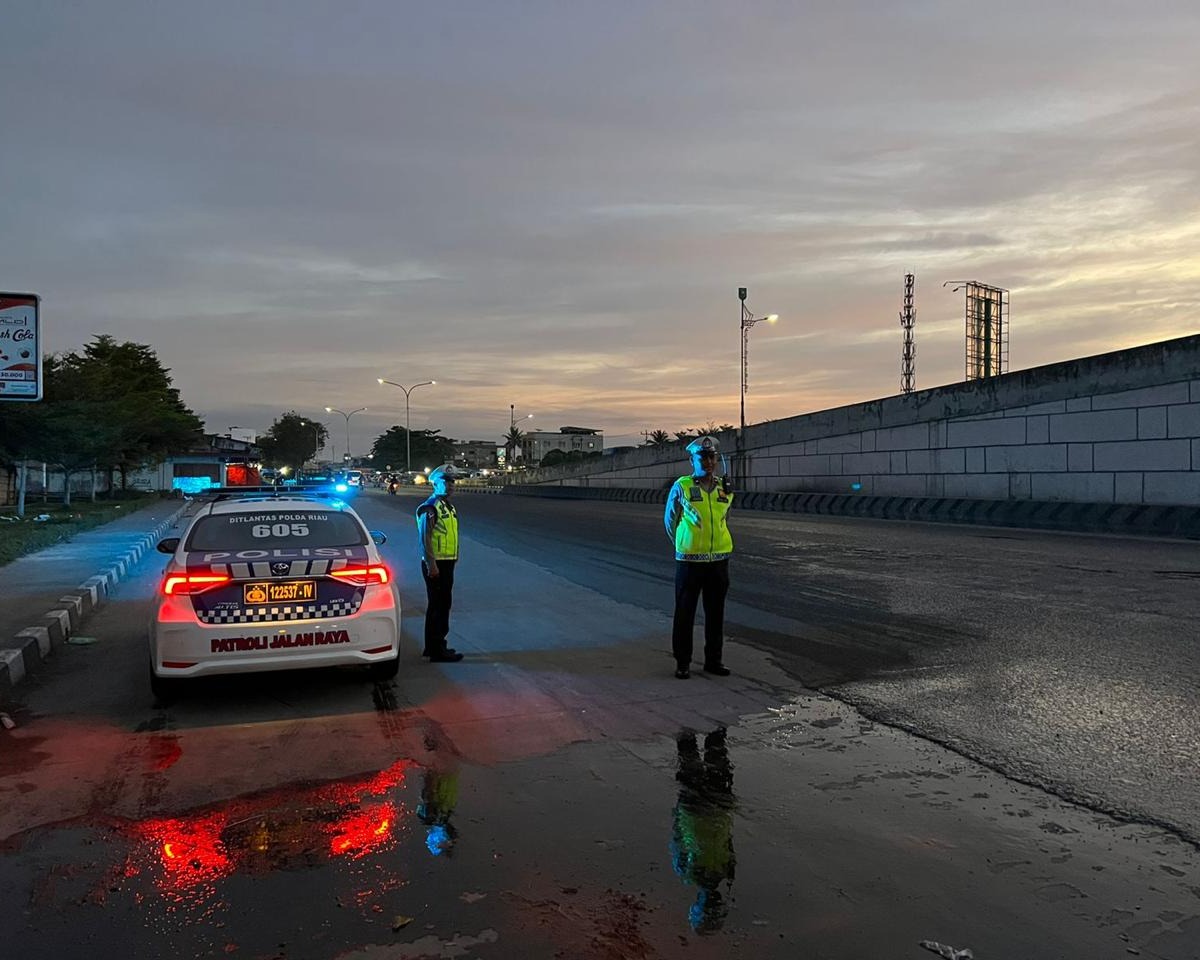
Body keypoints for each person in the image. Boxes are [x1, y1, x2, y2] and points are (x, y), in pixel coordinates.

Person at [663, 435, 733, 679]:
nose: (708, 461)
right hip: (690, 562)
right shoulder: (682, 486)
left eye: (711, 456)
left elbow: (724, 520)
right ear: (692, 459)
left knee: (716, 614)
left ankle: (714, 660)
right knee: (685, 614)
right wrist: (684, 544)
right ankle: (683, 662)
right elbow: (670, 521)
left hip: (719, 562)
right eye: (702, 457)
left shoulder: (725, 488)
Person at [670, 727, 736, 934]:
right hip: (711, 808)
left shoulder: (692, 872)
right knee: (712, 755)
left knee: (697, 757)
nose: (716, 903)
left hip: (699, 809)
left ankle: (692, 721)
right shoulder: (724, 872)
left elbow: (678, 838)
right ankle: (708, 720)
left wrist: (679, 813)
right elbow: (728, 840)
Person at [415, 464, 464, 662]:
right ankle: (437, 650)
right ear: (436, 483)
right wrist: (431, 564)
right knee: (439, 605)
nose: (451, 485)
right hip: (436, 564)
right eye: (446, 481)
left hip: (446, 562)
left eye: (453, 481)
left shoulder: (448, 507)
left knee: (441, 604)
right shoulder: (431, 506)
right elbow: (424, 538)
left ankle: (433, 645)